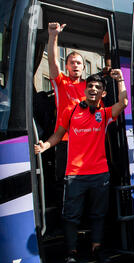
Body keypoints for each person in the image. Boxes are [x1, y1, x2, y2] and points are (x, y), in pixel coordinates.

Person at [34, 70, 128, 263]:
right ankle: (71, 254)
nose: (93, 89)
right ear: (85, 90)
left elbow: (123, 103)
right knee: (71, 216)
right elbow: (57, 135)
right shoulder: (71, 109)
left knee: (98, 214)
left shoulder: (104, 114)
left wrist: (120, 80)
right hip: (75, 174)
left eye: (98, 87)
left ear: (103, 93)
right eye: (90, 86)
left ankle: (97, 248)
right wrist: (45, 146)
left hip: (100, 174)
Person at [47, 22, 87, 220]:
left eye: (78, 62)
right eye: (72, 62)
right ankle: (67, 221)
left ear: (84, 66)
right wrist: (54, 36)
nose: (75, 65)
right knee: (64, 183)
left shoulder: (91, 87)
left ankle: (83, 218)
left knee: (86, 183)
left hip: (87, 144)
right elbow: (53, 63)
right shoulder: (61, 82)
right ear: (67, 66)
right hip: (65, 143)